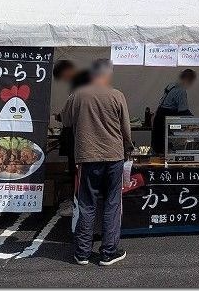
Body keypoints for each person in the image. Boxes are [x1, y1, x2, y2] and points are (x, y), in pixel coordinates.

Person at [61, 59, 132, 266]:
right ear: (108, 74)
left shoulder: (78, 95)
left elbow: (66, 121)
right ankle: (108, 252)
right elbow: (125, 129)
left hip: (87, 156)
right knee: (112, 203)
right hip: (114, 156)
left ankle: (82, 252)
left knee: (86, 203)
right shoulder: (117, 95)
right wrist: (128, 149)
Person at [53, 59, 93, 218]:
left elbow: (67, 117)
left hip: (77, 137)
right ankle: (81, 201)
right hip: (86, 137)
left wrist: (59, 116)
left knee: (76, 170)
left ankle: (79, 202)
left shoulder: (79, 88)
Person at [151, 69, 197, 155]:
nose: (191, 83)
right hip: (164, 122)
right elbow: (183, 111)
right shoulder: (181, 91)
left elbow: (162, 103)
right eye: (191, 80)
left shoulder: (171, 85)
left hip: (159, 118)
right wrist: (195, 122)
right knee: (162, 150)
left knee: (157, 149)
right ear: (188, 79)